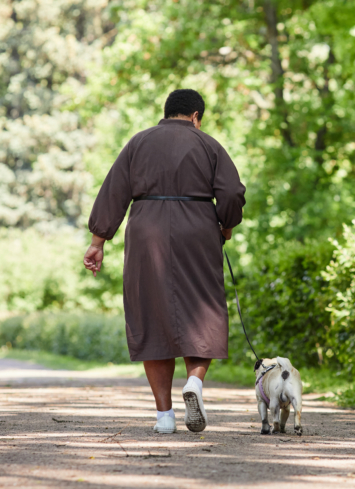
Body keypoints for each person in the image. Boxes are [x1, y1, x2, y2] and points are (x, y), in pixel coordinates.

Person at [83, 89, 246, 434]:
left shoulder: (138, 143)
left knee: (151, 314)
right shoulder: (209, 145)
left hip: (147, 232)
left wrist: (99, 240)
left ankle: (165, 417)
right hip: (197, 228)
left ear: (167, 112)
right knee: (203, 309)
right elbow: (231, 191)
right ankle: (195, 385)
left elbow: (114, 190)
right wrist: (226, 225)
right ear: (196, 116)